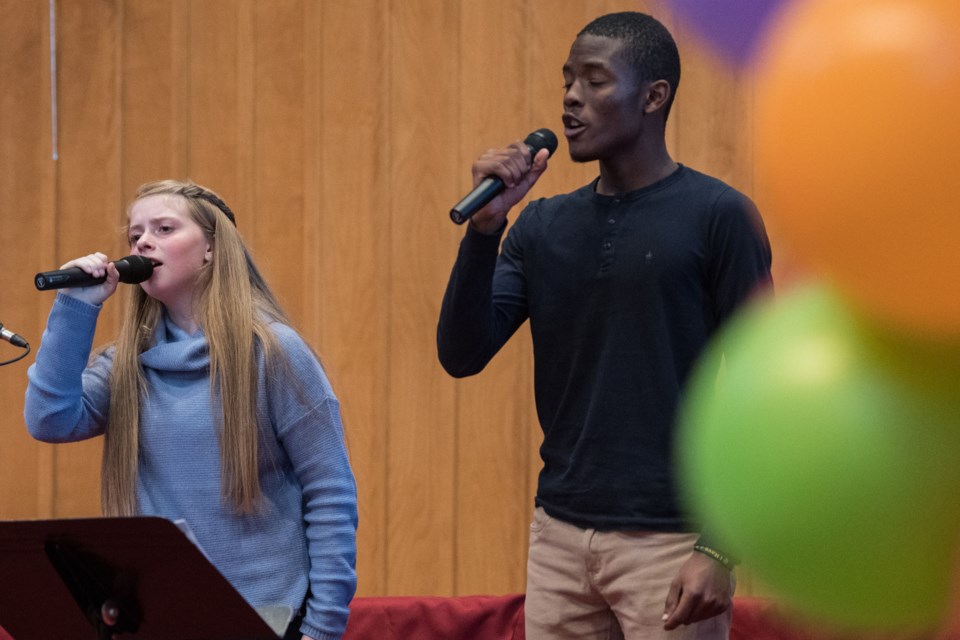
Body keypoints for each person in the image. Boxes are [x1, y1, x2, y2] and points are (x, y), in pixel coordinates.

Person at [437, 11, 772, 640]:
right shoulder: (540, 228)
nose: (569, 97)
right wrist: (486, 233)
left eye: (594, 80)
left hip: (673, 541)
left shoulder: (719, 217)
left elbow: (766, 390)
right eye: (567, 80)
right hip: (560, 534)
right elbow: (461, 352)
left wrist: (721, 550)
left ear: (653, 96)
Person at [24, 180, 357, 640]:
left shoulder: (274, 352)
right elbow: (49, 419)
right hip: (159, 615)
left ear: (212, 250)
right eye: (135, 234)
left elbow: (331, 493)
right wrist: (74, 308)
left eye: (164, 228)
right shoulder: (127, 364)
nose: (142, 242)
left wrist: (323, 628)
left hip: (267, 612)